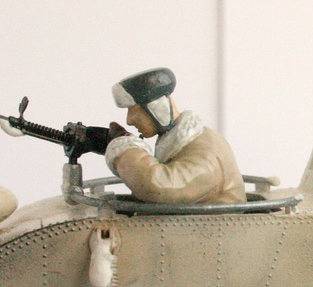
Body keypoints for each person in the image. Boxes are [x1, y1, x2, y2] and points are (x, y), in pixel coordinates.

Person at [104, 68, 246, 204]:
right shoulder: (183, 142)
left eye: (135, 111)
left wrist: (126, 151)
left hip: (212, 220)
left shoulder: (207, 151)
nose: (129, 120)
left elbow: (159, 188)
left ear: (157, 109)